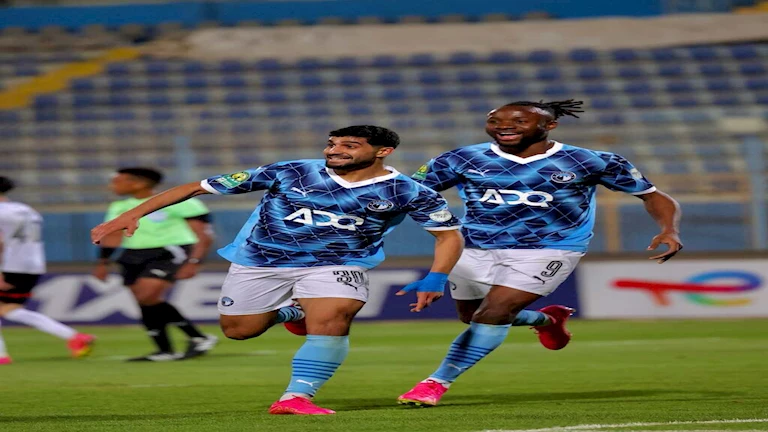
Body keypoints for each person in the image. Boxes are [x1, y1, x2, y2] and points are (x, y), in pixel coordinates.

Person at [91, 125, 464, 415]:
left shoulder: (407, 191)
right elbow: (197, 187)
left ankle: (296, 396)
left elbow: (448, 236)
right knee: (240, 331)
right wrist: (132, 214)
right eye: (332, 143)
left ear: (383, 151)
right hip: (259, 262)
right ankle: (293, 312)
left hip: (338, 263)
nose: (334, 150)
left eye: (349, 145)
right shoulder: (291, 171)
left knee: (334, 318)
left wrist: (436, 277)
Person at [398, 100, 683, 407]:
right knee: (471, 317)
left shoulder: (589, 161)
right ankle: (547, 320)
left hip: (549, 249)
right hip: (473, 247)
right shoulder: (462, 158)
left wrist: (669, 229)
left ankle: (434, 383)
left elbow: (652, 196)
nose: (504, 127)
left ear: (549, 125)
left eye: (519, 121)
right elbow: (408, 193)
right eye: (495, 121)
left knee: (493, 314)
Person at [93, 168, 218, 361]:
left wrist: (194, 261)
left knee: (148, 295)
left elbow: (204, 235)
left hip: (169, 250)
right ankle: (166, 350)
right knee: (143, 301)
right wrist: (103, 262)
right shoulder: (119, 206)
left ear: (139, 183)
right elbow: (113, 236)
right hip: (132, 254)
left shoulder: (181, 200)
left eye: (118, 181)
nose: (112, 186)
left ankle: (197, 337)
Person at [0, 176, 95, 364]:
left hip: (9, 265)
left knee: (9, 309)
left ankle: (1, 356)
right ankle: (75, 337)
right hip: (31, 265)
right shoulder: (27, 210)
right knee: (9, 309)